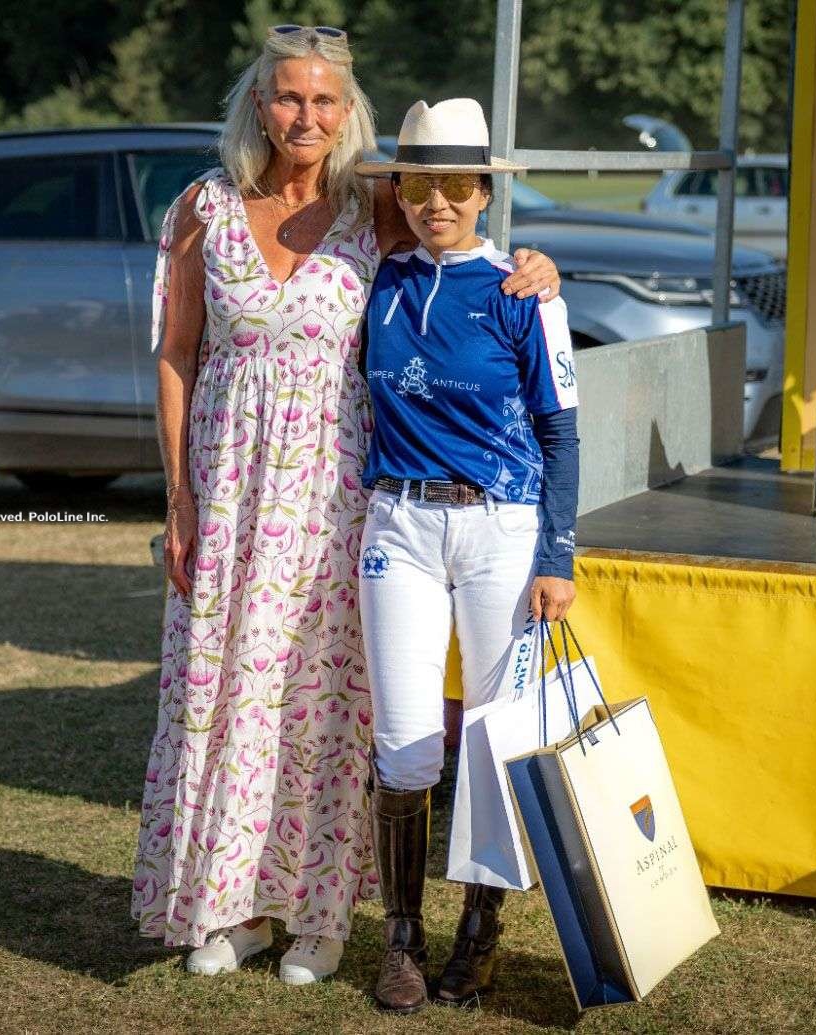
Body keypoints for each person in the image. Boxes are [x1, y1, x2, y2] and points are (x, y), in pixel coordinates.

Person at [132, 26, 561, 987]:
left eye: (325, 101)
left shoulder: (375, 208)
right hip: (231, 492)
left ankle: (323, 916)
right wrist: (179, 499)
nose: (306, 117)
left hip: (340, 503)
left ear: (348, 112)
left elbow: (466, 239)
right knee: (227, 697)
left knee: (327, 707)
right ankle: (232, 905)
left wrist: (538, 267)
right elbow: (176, 353)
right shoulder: (202, 206)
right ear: (258, 103)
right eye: (289, 98)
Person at [353, 97, 580, 1013]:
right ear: (398, 189)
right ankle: (400, 941)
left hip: (502, 530)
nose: (436, 202)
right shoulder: (375, 278)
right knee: (406, 745)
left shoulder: (526, 293)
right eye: (418, 184)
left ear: (484, 192)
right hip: (397, 527)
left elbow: (562, 435)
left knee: (492, 740)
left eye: (456, 185)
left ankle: (480, 936)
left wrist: (557, 554)